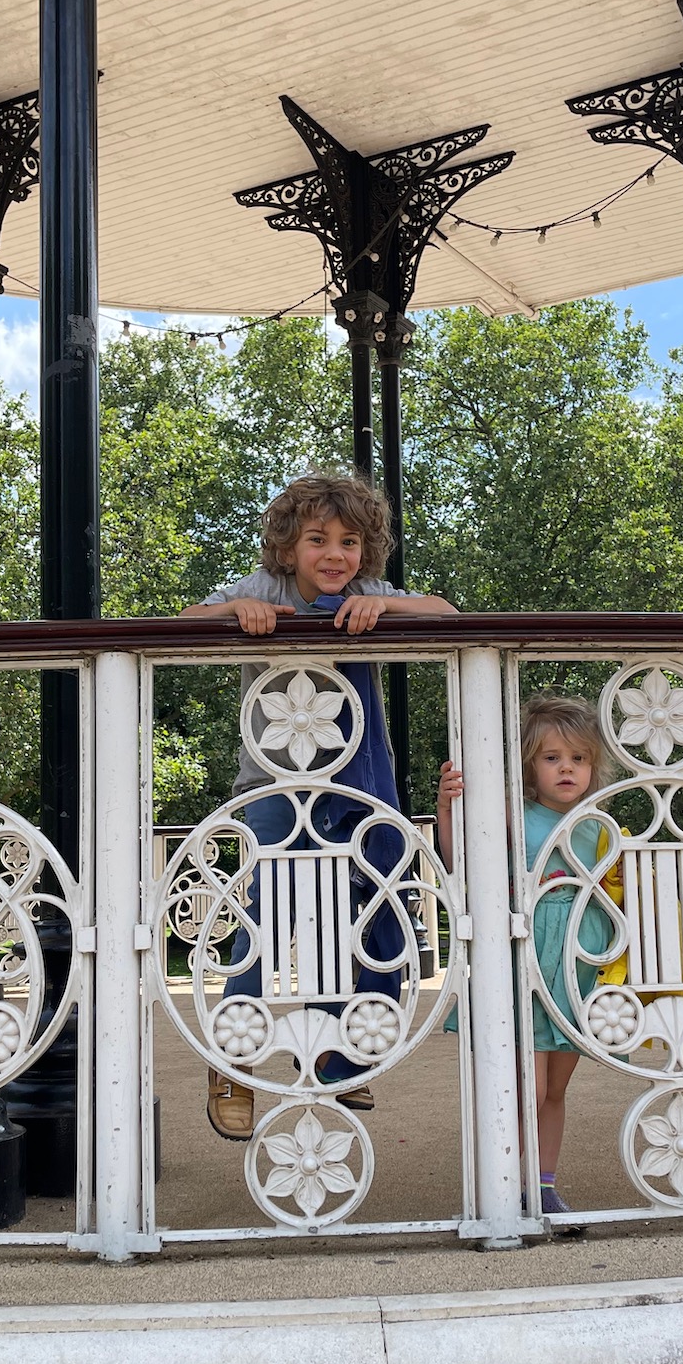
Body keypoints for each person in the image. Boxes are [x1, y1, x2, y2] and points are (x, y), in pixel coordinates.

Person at [180, 473, 458, 1140]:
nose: (335, 555)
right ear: (285, 548)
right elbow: (181, 624)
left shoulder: (366, 593)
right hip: (279, 786)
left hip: (357, 784)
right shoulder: (260, 589)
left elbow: (446, 613)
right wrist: (233, 616)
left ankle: (344, 1049)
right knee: (272, 915)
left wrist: (387, 611)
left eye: (350, 542)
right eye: (317, 540)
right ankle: (235, 1056)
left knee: (366, 907)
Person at [437, 694, 618, 1217]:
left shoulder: (597, 823)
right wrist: (449, 809)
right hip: (528, 958)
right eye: (552, 757)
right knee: (527, 1089)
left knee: (556, 1086)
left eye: (579, 759)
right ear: (529, 767)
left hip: (575, 962)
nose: (567, 768)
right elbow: (463, 865)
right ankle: (504, 1186)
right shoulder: (515, 815)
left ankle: (542, 1185)